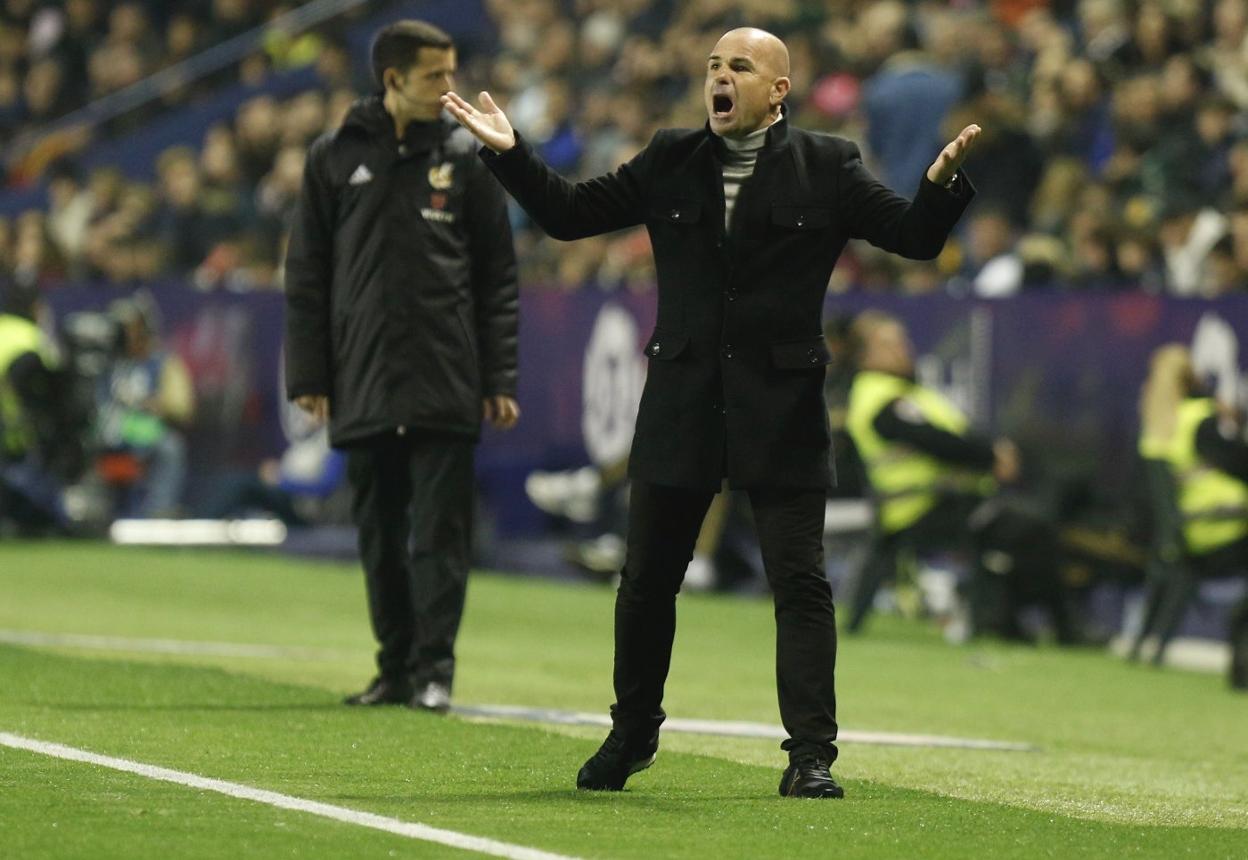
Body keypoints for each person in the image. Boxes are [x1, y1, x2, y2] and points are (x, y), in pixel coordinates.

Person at [443, 26, 977, 798]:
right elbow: (568, 214)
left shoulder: (829, 166)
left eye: (740, 67)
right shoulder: (670, 158)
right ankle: (631, 736)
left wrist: (941, 183)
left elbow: (915, 239)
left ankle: (811, 757)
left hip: (783, 404)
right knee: (647, 580)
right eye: (713, 66)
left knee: (800, 582)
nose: (720, 77)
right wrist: (510, 152)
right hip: (684, 400)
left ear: (778, 91)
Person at [284, 20, 519, 714]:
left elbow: (498, 277)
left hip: (447, 371)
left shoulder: (468, 158)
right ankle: (393, 668)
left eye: (452, 73)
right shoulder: (333, 156)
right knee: (380, 535)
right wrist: (309, 374)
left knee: (441, 537)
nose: (450, 88)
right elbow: (308, 274)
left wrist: (500, 377)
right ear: (392, 79)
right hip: (361, 373)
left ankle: (434, 671)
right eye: (434, 77)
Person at [843, 311, 1075, 643]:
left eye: (903, 340)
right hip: (921, 506)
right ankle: (1061, 629)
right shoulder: (880, 397)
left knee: (1028, 525)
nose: (904, 348)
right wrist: (990, 456)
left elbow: (952, 433)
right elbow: (934, 441)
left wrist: (990, 452)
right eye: (890, 344)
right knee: (1031, 530)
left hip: (945, 500)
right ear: (866, 353)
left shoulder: (905, 390)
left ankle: (1007, 621)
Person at [1137, 344, 1248, 690]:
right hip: (1228, 525)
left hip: (1189, 533)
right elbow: (1239, 462)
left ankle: (1147, 646)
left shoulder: (1158, 426)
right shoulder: (1202, 418)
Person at [96, 295, 195, 518]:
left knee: (170, 448)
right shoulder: (104, 363)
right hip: (105, 432)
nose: (126, 335)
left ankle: (158, 510)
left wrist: (152, 404)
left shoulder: (162, 362)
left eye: (131, 328)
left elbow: (182, 407)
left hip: (145, 434)